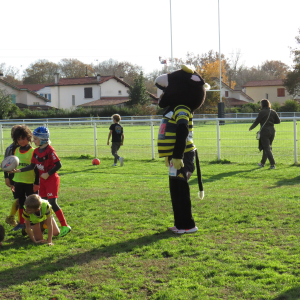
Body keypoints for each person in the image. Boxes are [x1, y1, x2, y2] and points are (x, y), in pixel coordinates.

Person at [155, 65, 207, 234]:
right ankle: (180, 224)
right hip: (175, 156)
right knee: (176, 190)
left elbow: (183, 130)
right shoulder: (175, 107)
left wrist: (177, 156)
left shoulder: (182, 108)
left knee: (180, 190)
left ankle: (188, 225)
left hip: (182, 155)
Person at [10, 126, 71, 237]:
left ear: (43, 139)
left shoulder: (50, 150)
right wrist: (19, 170)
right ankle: (46, 226)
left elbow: (58, 164)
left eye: (36, 139)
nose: (33, 141)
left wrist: (48, 173)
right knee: (43, 203)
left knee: (52, 202)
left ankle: (65, 226)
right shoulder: (36, 151)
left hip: (51, 179)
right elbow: (32, 166)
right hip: (43, 181)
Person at [10, 125, 40, 231]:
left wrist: (37, 183)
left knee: (34, 203)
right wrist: (12, 181)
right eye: (18, 139)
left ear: (28, 137)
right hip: (18, 181)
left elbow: (36, 169)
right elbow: (12, 167)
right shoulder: (16, 150)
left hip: (30, 182)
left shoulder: (33, 151)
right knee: (21, 202)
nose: (21, 141)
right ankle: (21, 223)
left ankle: (36, 222)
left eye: (23, 138)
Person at [249, 99, 281, 169]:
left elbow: (256, 122)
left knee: (266, 148)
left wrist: (251, 128)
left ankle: (272, 164)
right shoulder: (273, 112)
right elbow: (278, 121)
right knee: (267, 148)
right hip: (272, 131)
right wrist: (271, 122)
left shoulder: (262, 112)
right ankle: (262, 163)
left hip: (264, 131)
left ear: (262, 104)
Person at [4, 125, 22, 227]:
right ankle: (18, 221)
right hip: (13, 177)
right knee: (20, 198)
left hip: (24, 176)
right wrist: (6, 177)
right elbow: (5, 164)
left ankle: (12, 217)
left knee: (23, 198)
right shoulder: (10, 149)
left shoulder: (25, 147)